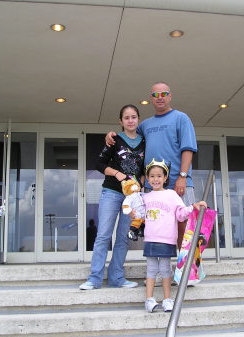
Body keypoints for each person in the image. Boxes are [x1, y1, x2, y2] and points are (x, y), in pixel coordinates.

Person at [106, 82, 198, 248]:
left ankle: (188, 271)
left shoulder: (181, 118)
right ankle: (164, 269)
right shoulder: (145, 125)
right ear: (151, 99)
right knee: (158, 228)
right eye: (156, 95)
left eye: (164, 94)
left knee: (184, 228)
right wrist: (112, 135)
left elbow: (188, 149)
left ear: (170, 96)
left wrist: (182, 177)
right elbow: (130, 135)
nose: (160, 98)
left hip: (178, 183)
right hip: (152, 186)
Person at [79, 104, 145, 290]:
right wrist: (117, 174)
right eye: (126, 118)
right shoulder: (114, 139)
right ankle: (94, 278)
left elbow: (143, 169)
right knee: (103, 235)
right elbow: (99, 163)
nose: (130, 120)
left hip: (131, 197)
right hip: (111, 192)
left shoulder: (144, 141)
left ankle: (117, 278)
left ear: (138, 119)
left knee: (123, 238)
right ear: (120, 121)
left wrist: (139, 185)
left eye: (133, 117)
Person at [141, 159, 207, 313]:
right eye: (152, 176)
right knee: (150, 270)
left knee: (165, 270)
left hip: (166, 240)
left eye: (159, 176)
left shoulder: (171, 195)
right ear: (148, 178)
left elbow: (180, 215)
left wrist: (193, 207)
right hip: (150, 239)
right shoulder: (144, 197)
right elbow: (138, 216)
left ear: (165, 178)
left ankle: (167, 300)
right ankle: (149, 300)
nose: (155, 179)